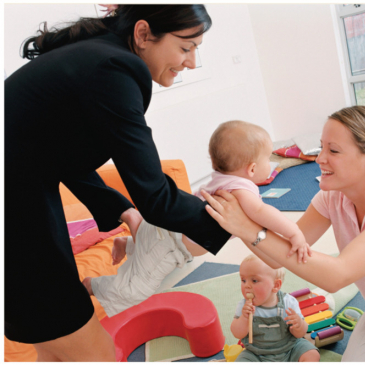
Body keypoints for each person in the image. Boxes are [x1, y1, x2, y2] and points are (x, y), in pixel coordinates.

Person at [5, 5, 232, 361]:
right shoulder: (116, 67)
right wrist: (238, 226)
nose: (190, 61)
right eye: (186, 47)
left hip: (23, 194)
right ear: (143, 34)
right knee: (88, 345)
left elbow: (55, 154)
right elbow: (154, 192)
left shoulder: (96, 55)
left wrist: (125, 211)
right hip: (17, 208)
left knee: (50, 340)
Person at [201, 106, 365, 362]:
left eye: (333, 150)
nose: (320, 158)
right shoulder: (332, 196)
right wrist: (240, 221)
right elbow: (276, 257)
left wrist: (247, 228)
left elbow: (338, 275)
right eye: (321, 147)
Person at [82, 120, 310, 317]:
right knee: (137, 289)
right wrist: (294, 232)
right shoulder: (242, 188)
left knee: (148, 253)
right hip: (169, 245)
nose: (270, 164)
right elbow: (261, 212)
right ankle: (93, 285)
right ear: (251, 169)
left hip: (163, 234)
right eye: (266, 159)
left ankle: (129, 243)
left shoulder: (219, 180)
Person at [231, 254, 320, 362]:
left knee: (312, 354)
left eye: (254, 281)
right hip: (256, 354)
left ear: (276, 285)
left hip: (290, 348)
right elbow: (237, 333)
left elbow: (301, 333)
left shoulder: (288, 302)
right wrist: (244, 318)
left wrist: (299, 325)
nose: (247, 286)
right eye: (243, 280)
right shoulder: (243, 306)